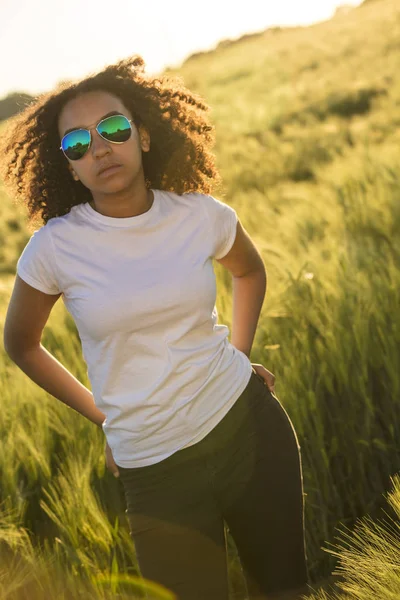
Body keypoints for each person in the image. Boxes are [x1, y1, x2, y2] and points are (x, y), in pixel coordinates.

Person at [1, 55, 309, 600]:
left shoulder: (199, 215)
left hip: (250, 432)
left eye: (113, 129)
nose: (98, 148)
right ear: (69, 166)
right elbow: (21, 345)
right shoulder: (55, 248)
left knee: (283, 590)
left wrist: (239, 354)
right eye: (77, 143)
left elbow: (249, 271)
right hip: (155, 470)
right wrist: (106, 417)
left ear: (142, 136)